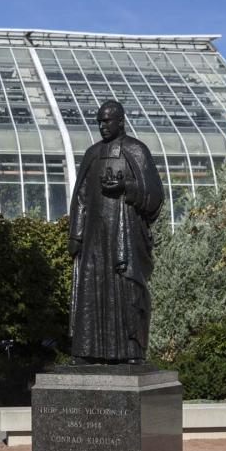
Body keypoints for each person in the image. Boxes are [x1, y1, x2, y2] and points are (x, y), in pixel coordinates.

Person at [68, 100, 164, 363]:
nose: (102, 126)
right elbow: (81, 197)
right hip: (93, 239)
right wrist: (76, 235)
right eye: (99, 121)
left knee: (125, 291)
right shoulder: (92, 154)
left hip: (124, 236)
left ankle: (131, 351)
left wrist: (127, 188)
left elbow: (155, 195)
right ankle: (86, 351)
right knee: (90, 289)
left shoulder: (136, 150)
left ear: (120, 121)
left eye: (107, 121)